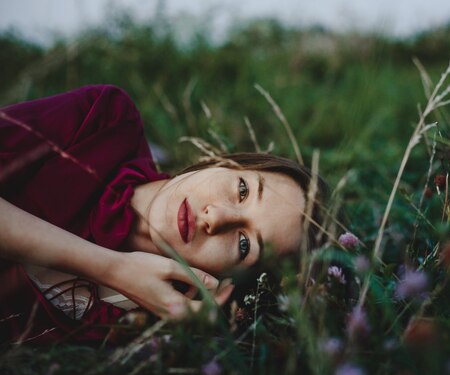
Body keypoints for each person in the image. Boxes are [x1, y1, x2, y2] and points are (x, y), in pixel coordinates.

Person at [0, 85, 327, 344]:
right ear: (222, 162)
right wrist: (111, 268)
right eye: (242, 190)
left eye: (244, 245)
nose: (216, 217)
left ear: (229, 283)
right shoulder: (106, 121)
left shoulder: (148, 333)